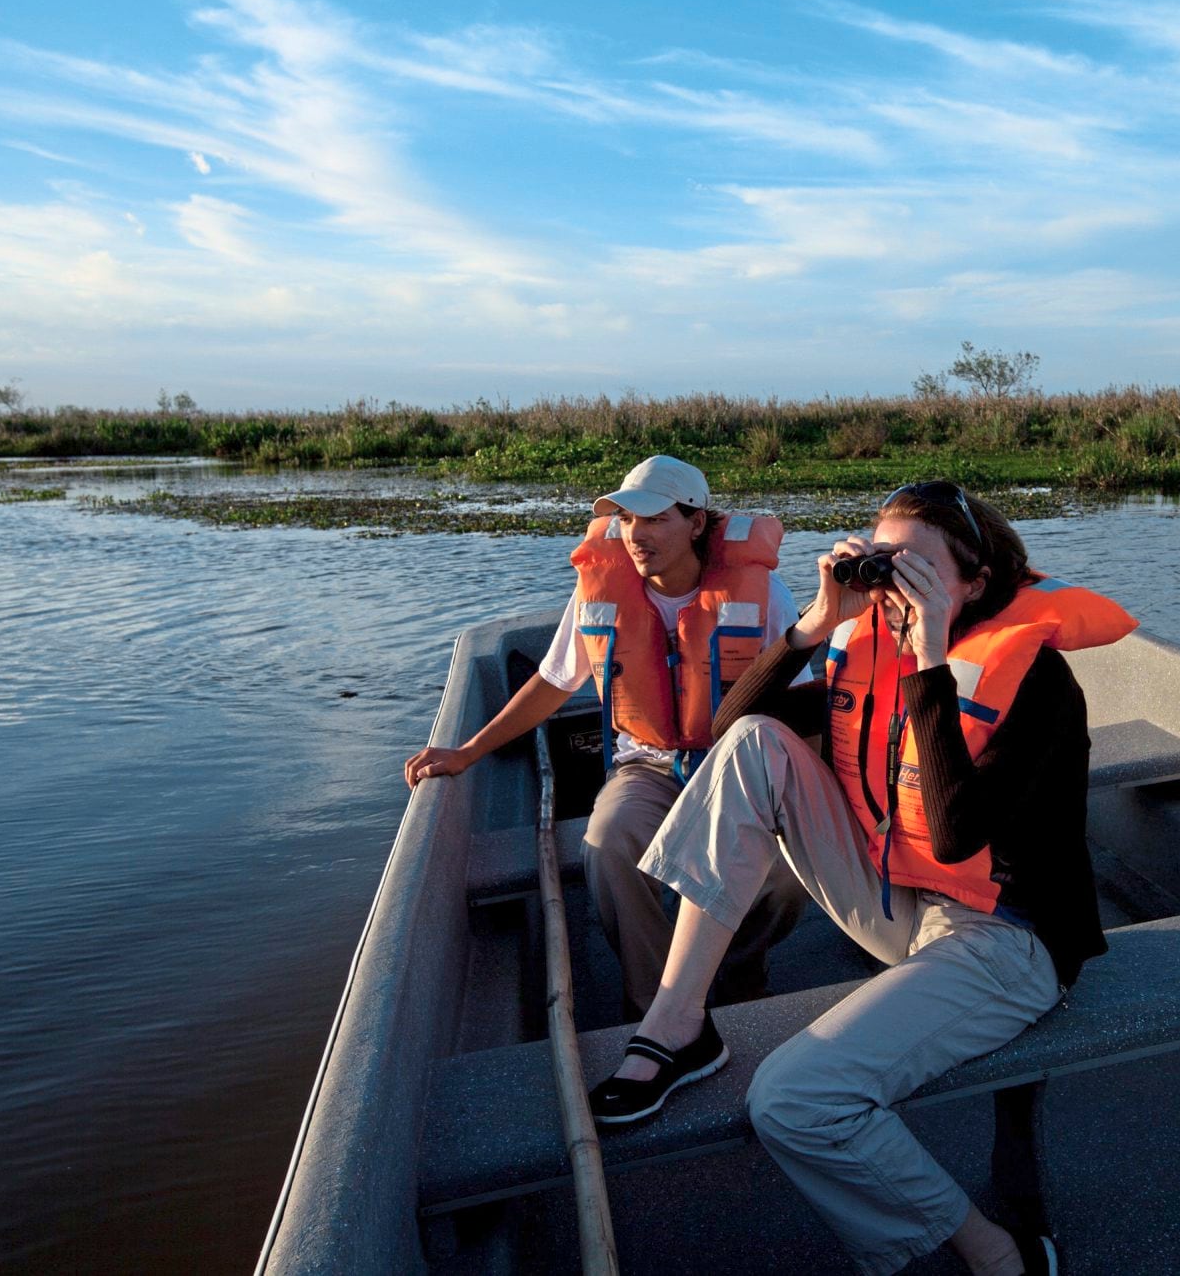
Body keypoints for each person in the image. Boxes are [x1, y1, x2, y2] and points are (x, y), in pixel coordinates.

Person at [588, 481, 1137, 1276]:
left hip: (1006, 936)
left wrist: (932, 659)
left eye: (919, 569)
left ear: (976, 580)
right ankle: (678, 1023)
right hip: (904, 902)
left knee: (792, 1100)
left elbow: (954, 839)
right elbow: (723, 730)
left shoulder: (1037, 683)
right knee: (754, 747)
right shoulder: (867, 643)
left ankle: (1001, 1255)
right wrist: (817, 622)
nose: (897, 587)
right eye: (888, 565)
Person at [404, 455, 806, 1018]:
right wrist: (468, 751)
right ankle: (656, 1005)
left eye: (655, 520)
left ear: (696, 523)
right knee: (608, 846)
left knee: (784, 877)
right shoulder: (599, 592)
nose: (636, 536)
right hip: (647, 764)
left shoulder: (766, 595)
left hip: (735, 764)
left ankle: (737, 973)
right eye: (625, 520)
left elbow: (802, 700)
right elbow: (552, 681)